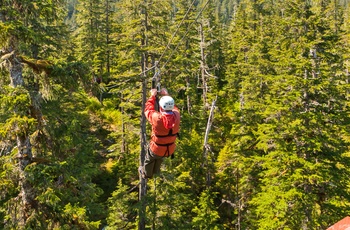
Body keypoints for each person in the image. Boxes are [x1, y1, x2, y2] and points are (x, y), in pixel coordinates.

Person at [139, 88, 180, 179]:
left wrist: (152, 96)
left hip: (156, 148)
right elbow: (174, 107)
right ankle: (156, 171)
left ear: (161, 107)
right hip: (169, 149)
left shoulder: (157, 118)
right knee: (159, 158)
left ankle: (147, 174)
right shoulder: (177, 115)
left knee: (149, 159)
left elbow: (148, 110)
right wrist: (166, 95)